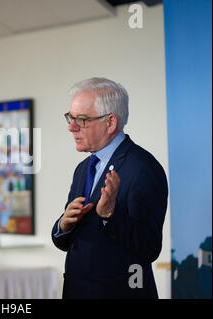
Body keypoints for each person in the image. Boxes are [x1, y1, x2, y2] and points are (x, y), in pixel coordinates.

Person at [51, 77, 168, 299]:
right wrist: (63, 224)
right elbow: (70, 241)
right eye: (70, 117)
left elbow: (149, 247)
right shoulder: (83, 168)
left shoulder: (143, 168)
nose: (71, 127)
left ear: (110, 122)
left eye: (81, 120)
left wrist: (109, 215)